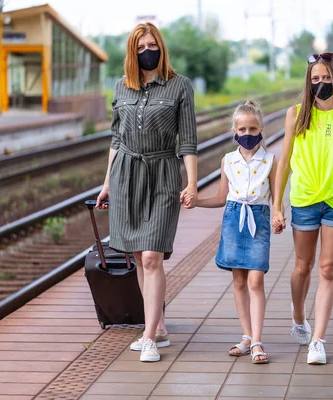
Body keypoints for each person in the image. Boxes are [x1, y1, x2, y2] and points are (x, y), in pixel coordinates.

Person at [95, 22, 198, 363]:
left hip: (162, 175)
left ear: (161, 47)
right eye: (140, 48)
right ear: (132, 52)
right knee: (139, 257)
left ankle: (149, 336)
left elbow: (188, 141)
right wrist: (108, 183)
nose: (147, 52)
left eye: (152, 45)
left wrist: (193, 183)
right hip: (126, 175)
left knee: (153, 256)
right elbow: (115, 139)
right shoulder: (121, 87)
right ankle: (160, 326)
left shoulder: (180, 86)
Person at [272, 52, 333, 365]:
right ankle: (299, 316)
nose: (320, 84)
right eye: (315, 80)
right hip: (305, 200)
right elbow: (283, 160)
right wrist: (276, 204)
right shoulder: (296, 114)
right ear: (308, 83)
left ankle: (318, 340)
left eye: (325, 79)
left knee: (328, 269)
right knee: (302, 266)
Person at [190, 100, 277, 364]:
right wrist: (196, 201)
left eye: (253, 129)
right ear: (234, 131)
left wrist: (280, 216)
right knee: (238, 281)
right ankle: (247, 336)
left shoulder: (272, 160)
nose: (248, 134)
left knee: (255, 281)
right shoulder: (227, 161)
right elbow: (220, 197)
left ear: (261, 128)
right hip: (233, 219)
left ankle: (259, 341)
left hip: (258, 220)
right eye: (242, 129)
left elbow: (276, 198)